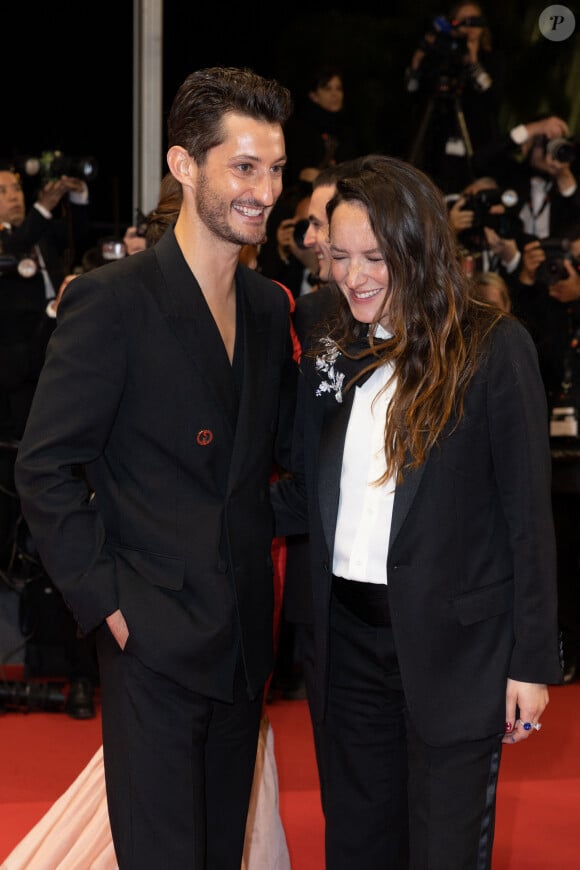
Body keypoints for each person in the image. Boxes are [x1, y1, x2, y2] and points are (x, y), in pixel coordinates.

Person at [14, 65, 297, 869]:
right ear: (183, 165)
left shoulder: (272, 310)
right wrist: (108, 604)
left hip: (243, 643)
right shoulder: (113, 300)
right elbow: (45, 467)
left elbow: (270, 466)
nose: (264, 190)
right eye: (244, 167)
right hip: (152, 643)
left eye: (275, 170)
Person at [271, 153, 562, 869]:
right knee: (359, 847)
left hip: (457, 652)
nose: (355, 275)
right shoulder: (331, 345)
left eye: (376, 255)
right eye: (339, 256)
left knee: (445, 852)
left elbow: (528, 516)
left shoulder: (494, 348)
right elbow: (306, 486)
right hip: (347, 649)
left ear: (418, 245)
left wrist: (531, 662)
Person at [507, 228, 580, 685]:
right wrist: (542, 294)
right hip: (560, 459)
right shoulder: (550, 311)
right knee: (564, 558)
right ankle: (568, 646)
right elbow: (542, 360)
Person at [404, 3, 504, 192]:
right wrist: (417, 62)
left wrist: (473, 60)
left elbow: (492, 98)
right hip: (435, 139)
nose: (469, 27)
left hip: (473, 144)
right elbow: (412, 92)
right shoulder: (441, 56)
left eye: (474, 21)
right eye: (462, 21)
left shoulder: (491, 60)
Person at [283, 65, 360, 186]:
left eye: (338, 89)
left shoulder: (348, 128)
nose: (334, 94)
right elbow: (301, 173)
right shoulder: (301, 128)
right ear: (314, 96)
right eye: (327, 89)